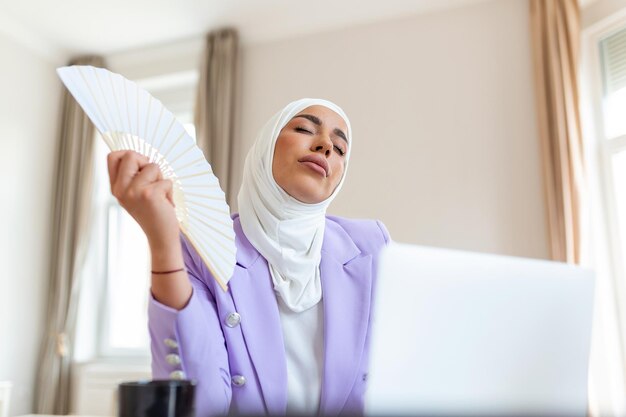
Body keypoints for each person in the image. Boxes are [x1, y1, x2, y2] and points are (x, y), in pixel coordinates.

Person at [106, 98, 390, 416]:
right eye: (305, 128)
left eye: (340, 149)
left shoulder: (371, 249)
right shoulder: (206, 247)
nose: (325, 146)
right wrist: (163, 241)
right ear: (266, 146)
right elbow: (202, 400)